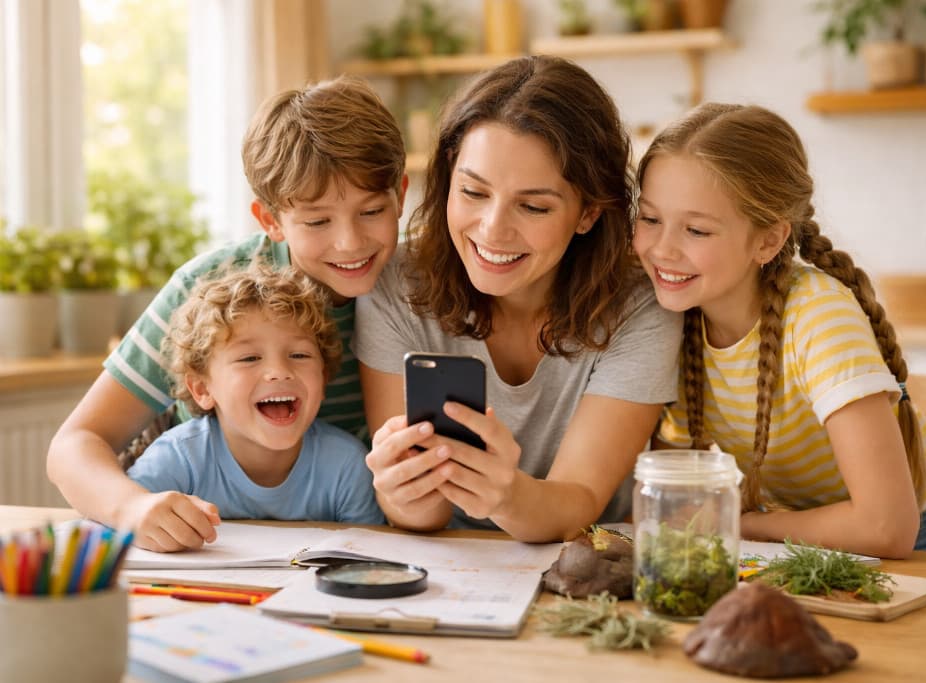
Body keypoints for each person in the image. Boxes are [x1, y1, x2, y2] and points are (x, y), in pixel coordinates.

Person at [47, 75, 406, 551]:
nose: (351, 242)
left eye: (371, 211)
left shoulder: (414, 290)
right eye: (318, 221)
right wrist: (130, 506)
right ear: (271, 221)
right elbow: (74, 445)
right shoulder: (214, 290)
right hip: (209, 546)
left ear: (400, 195)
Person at [632, 103, 926, 558]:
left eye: (697, 231)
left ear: (768, 240)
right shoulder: (670, 316)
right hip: (801, 544)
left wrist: (740, 523)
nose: (662, 248)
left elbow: (887, 528)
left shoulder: (817, 316)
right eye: (649, 219)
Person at [353, 55, 682, 543]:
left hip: (581, 571)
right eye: (473, 192)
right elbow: (423, 517)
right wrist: (403, 494)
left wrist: (508, 496)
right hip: (452, 570)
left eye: (533, 206)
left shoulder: (638, 309)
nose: (493, 230)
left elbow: (578, 503)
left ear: (588, 212)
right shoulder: (396, 286)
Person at [126, 264, 385, 550]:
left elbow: (368, 558)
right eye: (249, 358)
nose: (279, 371)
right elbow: (120, 527)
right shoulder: (178, 457)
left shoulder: (347, 466)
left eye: (299, 354)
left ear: (323, 380)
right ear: (202, 389)